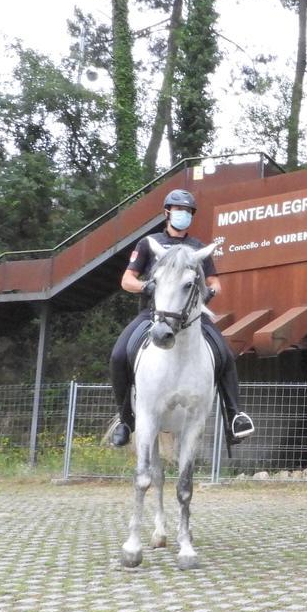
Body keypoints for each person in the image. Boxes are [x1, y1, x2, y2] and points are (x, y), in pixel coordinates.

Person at [109, 188, 255, 447]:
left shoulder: (198, 248)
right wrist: (146, 287)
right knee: (119, 355)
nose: (183, 215)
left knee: (225, 355)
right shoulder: (148, 244)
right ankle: (125, 420)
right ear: (167, 213)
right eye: (179, 210)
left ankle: (235, 417)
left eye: (188, 212)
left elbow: (215, 282)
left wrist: (208, 293)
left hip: (191, 314)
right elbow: (126, 280)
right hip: (153, 313)